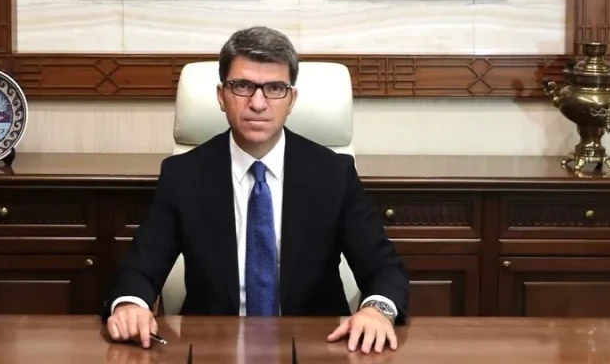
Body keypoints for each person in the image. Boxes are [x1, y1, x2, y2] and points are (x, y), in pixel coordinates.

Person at [102, 26, 409, 354]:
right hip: (211, 348)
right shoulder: (184, 175)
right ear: (221, 95)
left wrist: (377, 311)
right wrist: (130, 305)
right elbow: (140, 268)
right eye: (243, 86)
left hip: (317, 347)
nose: (258, 103)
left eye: (275, 88)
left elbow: (384, 269)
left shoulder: (333, 174)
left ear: (291, 99)